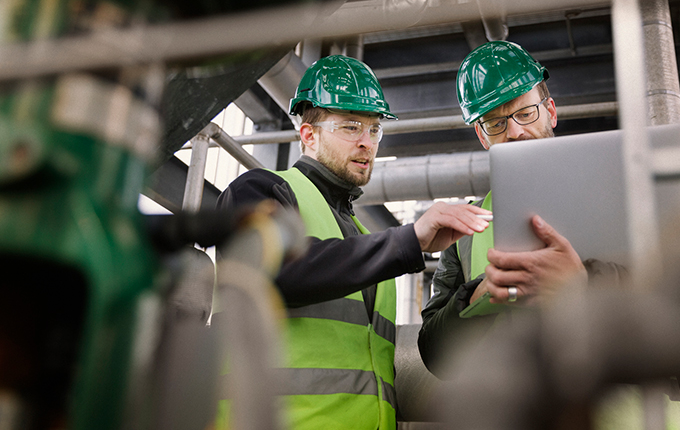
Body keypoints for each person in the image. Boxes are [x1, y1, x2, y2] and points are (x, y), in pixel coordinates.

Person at [216, 54, 491, 430]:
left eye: (374, 129)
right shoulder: (260, 189)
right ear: (308, 135)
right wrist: (407, 241)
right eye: (350, 127)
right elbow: (279, 272)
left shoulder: (365, 240)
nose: (367, 143)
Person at [417, 40, 628, 378]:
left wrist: (583, 283)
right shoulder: (466, 229)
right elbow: (434, 354)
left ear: (551, 112)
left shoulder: (625, 190)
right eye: (495, 123)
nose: (514, 132)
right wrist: (475, 298)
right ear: (482, 136)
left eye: (525, 112)